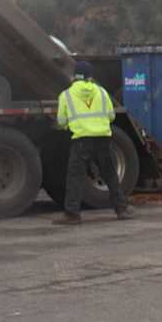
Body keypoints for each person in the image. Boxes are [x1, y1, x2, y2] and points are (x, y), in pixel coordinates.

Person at [54, 61, 133, 225]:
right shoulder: (102, 92)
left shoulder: (66, 95)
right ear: (90, 77)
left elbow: (61, 122)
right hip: (103, 138)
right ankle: (122, 209)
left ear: (74, 76)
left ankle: (72, 214)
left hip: (82, 140)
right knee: (110, 174)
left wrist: (70, 124)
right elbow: (111, 116)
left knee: (75, 177)